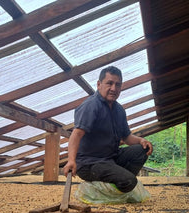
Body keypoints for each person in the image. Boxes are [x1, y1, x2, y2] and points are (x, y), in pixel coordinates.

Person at [62, 66, 153, 196]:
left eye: (118, 85)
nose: (113, 89)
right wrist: (71, 160)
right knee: (129, 181)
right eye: (109, 83)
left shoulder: (119, 110)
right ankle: (113, 186)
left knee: (141, 150)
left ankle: (115, 182)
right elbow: (76, 134)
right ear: (99, 84)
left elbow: (127, 137)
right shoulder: (91, 106)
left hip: (111, 158)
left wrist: (141, 140)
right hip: (89, 163)